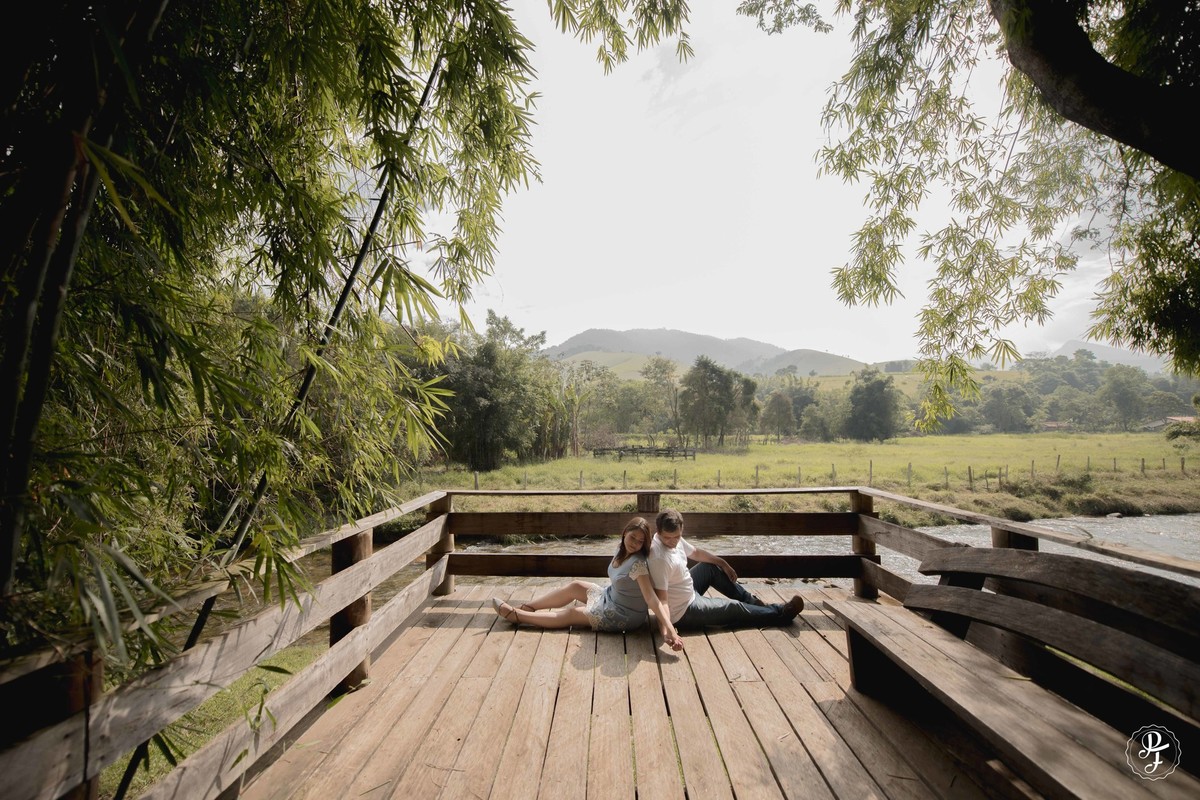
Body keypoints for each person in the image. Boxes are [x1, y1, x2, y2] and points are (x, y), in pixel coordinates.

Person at [492, 516, 684, 650]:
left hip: (624, 614)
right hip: (610, 597)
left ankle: (518, 616)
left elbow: (652, 599)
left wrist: (670, 631)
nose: (635, 543)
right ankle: (529, 607)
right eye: (632, 537)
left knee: (572, 613)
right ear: (624, 533)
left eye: (640, 541)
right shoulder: (622, 550)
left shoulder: (638, 564)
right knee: (575, 585)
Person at [648, 508, 804, 629]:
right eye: (667, 538)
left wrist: (722, 563)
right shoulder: (659, 558)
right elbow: (662, 600)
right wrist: (667, 628)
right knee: (733, 608)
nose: (672, 542)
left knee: (710, 566)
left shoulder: (675, 537)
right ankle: (780, 613)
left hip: (688, 590)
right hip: (683, 611)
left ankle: (754, 603)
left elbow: (695, 552)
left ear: (681, 530)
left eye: (676, 536)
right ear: (658, 531)